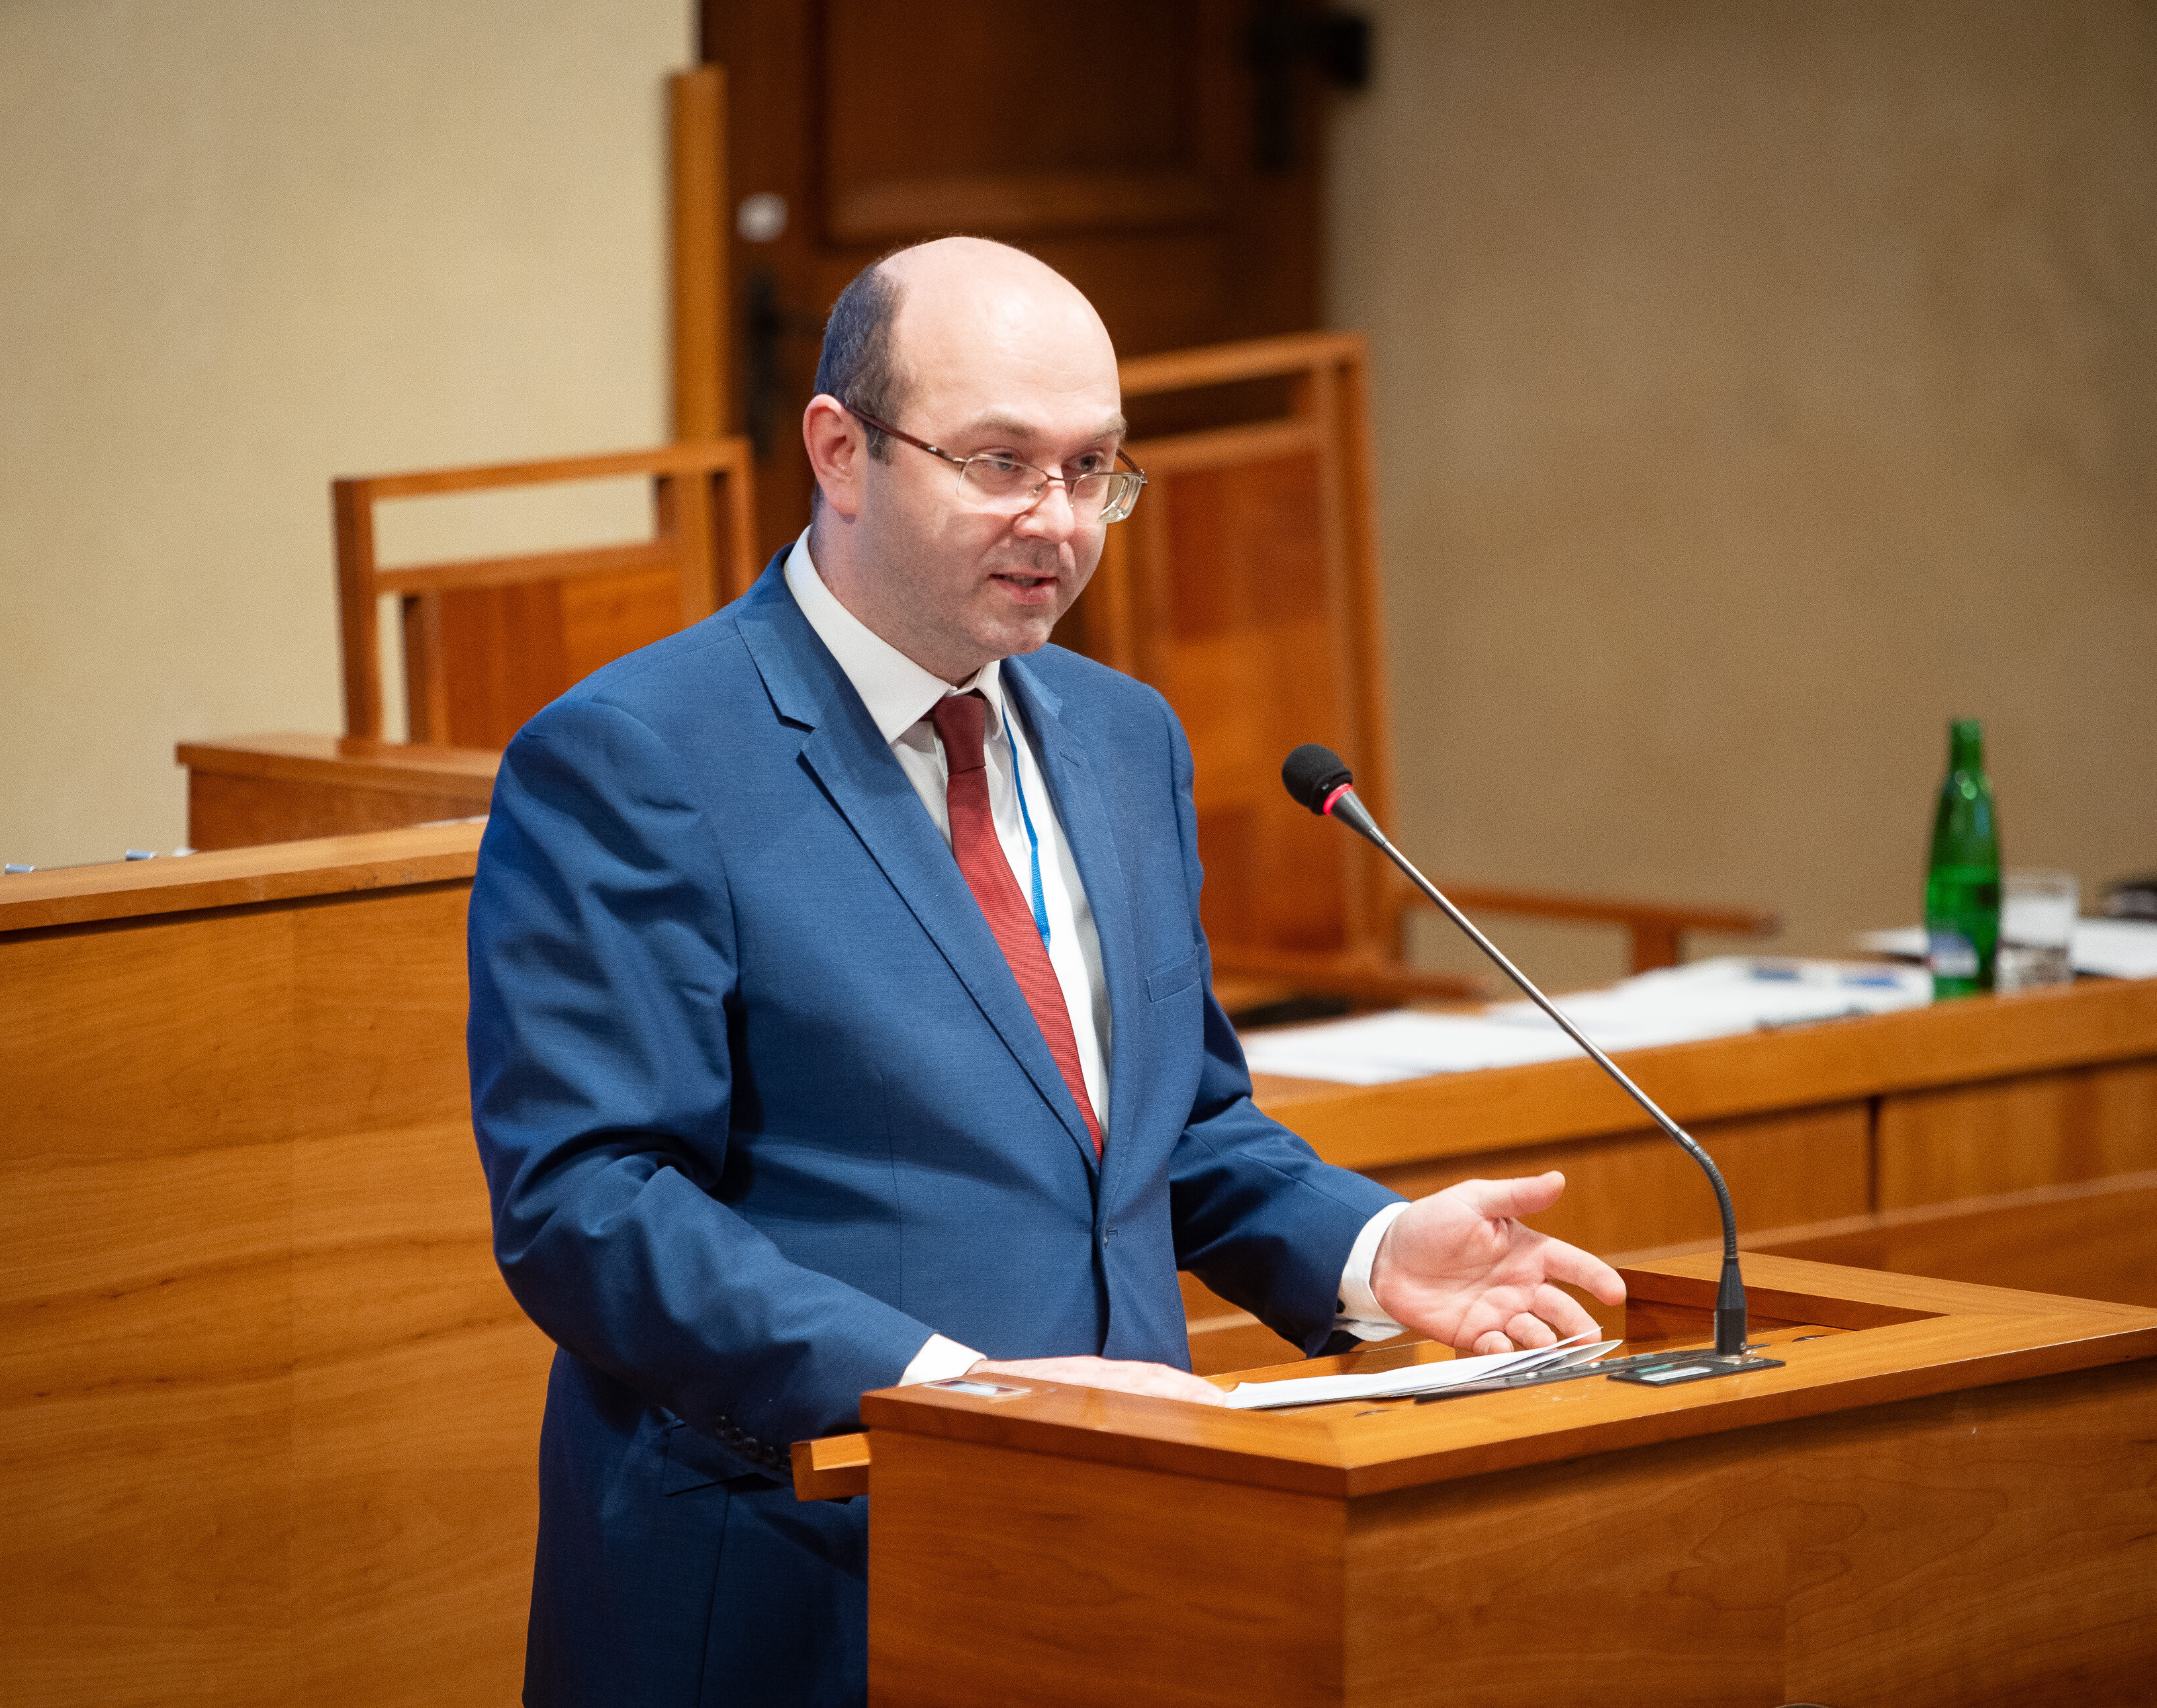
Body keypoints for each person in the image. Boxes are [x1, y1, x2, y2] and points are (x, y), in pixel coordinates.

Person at [466, 236, 1626, 1705]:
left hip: (1117, 1554)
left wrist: (1368, 1251)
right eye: (1001, 461)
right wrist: (964, 1395)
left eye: (1093, 470)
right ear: (840, 450)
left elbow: (1174, 1127)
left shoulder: (1121, 734)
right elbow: (589, 1204)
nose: (1057, 522)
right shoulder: (638, 755)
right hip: (797, 1574)